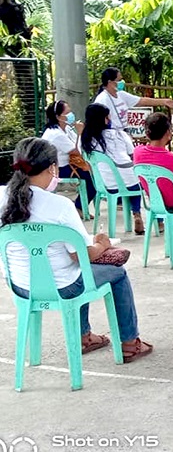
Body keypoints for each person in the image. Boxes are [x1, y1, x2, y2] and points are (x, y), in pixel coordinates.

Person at [0, 137, 152, 362]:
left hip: (20, 286)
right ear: (52, 168)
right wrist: (102, 244)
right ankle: (129, 342)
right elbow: (82, 255)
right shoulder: (60, 206)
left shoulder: (2, 197)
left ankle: (85, 337)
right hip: (63, 287)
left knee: (77, 269)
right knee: (116, 273)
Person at [80, 103, 146, 235]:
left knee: (122, 179)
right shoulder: (120, 134)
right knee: (134, 181)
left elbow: (83, 156)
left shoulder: (86, 139)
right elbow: (132, 154)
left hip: (105, 184)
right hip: (129, 181)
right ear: (104, 119)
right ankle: (136, 212)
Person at [42, 100, 96, 213]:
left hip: (67, 164)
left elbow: (77, 145)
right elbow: (76, 151)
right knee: (93, 178)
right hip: (59, 168)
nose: (71, 115)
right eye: (67, 113)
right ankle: (79, 207)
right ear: (58, 117)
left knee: (93, 171)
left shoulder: (66, 128)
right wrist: (80, 133)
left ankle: (80, 206)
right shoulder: (56, 134)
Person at [93, 67, 173, 134]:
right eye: (119, 80)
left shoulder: (121, 94)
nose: (122, 82)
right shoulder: (102, 100)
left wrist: (164, 102)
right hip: (111, 136)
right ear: (110, 82)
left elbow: (141, 101)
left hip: (123, 134)